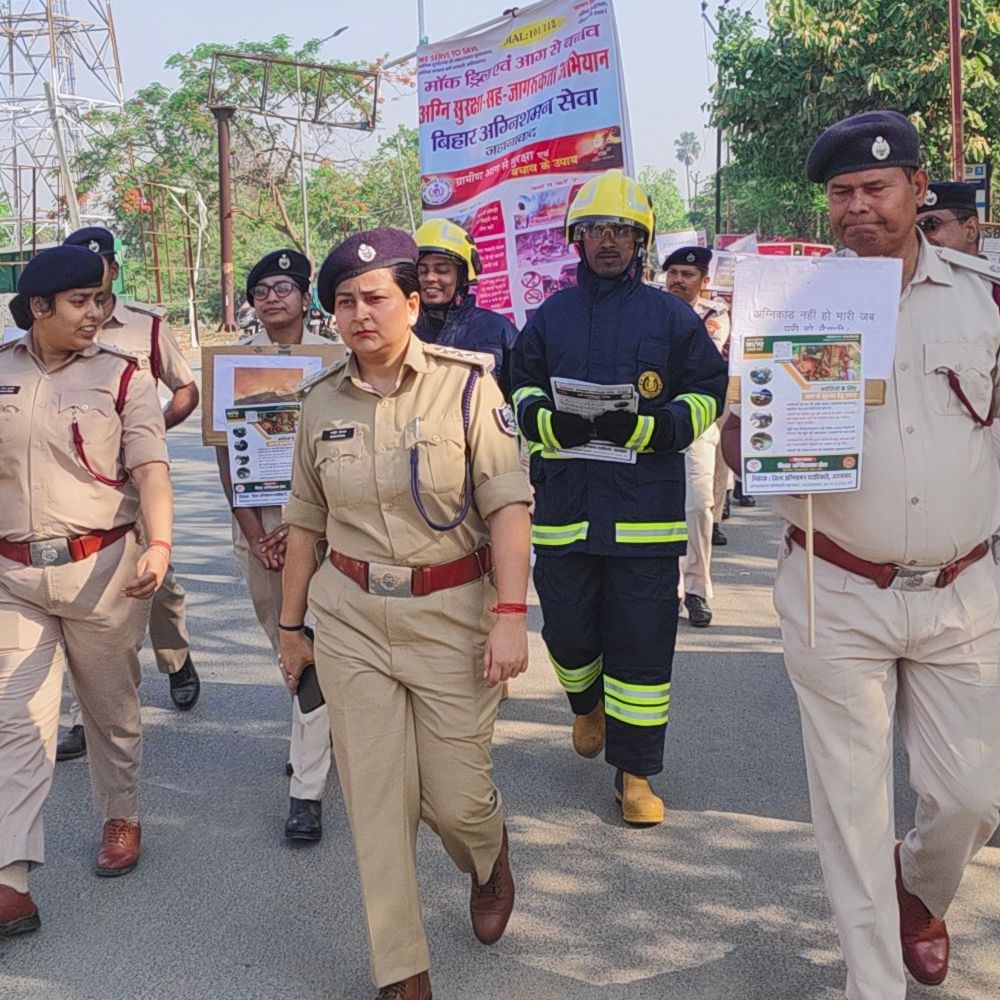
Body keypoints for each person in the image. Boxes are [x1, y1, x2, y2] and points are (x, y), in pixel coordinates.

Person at [723, 109, 1000, 999]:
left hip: (965, 591)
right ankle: (870, 985)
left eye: (876, 188)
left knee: (971, 799)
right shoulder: (792, 306)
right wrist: (753, 432)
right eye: (841, 194)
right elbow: (740, 446)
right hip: (835, 587)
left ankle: (919, 885)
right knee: (850, 810)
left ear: (920, 189)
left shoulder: (985, 295)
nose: (857, 207)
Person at [278, 227, 532, 1000]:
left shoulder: (466, 386)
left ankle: (487, 859)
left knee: (455, 802)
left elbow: (510, 504)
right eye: (345, 302)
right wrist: (292, 631)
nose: (360, 314)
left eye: (377, 298)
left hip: (453, 613)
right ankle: (402, 970)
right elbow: (304, 524)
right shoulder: (320, 402)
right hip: (351, 616)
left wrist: (512, 613)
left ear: (413, 303)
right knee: (377, 799)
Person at [511, 169, 727, 825]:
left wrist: (658, 428)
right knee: (570, 637)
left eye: (622, 231)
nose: (609, 241)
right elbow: (519, 388)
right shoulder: (550, 316)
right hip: (565, 512)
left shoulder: (672, 317)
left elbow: (708, 392)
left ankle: (635, 775)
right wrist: (549, 423)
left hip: (643, 515)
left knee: (640, 648)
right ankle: (584, 705)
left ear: (641, 242)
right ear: (576, 240)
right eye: (596, 230)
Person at [0, 246, 173, 934]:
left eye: (102, 300)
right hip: (14, 576)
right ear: (38, 308)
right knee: (15, 719)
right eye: (81, 302)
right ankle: (11, 875)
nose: (98, 313)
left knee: (109, 709)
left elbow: (153, 471)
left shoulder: (123, 378)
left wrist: (158, 544)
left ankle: (121, 814)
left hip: (104, 571)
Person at [51, 227, 199, 764]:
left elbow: (186, 389)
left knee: (156, 583)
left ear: (114, 268)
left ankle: (176, 658)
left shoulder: (145, 325)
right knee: (79, 594)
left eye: (103, 267)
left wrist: (146, 433)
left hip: (137, 482)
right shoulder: (49, 330)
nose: (94, 284)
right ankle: (79, 713)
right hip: (76, 490)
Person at [214, 248, 334, 843]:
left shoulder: (336, 362)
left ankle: (306, 790)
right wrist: (258, 532)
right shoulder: (231, 367)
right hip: (258, 531)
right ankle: (314, 735)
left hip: (329, 532)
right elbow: (224, 458)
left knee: (312, 644)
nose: (272, 298)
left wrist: (308, 524)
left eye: (284, 286)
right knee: (286, 644)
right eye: (261, 289)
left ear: (306, 295)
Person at [663, 245, 730, 627]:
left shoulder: (714, 316)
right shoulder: (652, 310)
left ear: (703, 282)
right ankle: (669, 589)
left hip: (698, 423)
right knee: (662, 507)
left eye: (687, 275)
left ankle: (697, 590)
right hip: (656, 423)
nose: (678, 280)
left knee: (698, 507)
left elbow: (705, 353)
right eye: (672, 272)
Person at [413, 219, 519, 398]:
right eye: (422, 270)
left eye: (442, 270)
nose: (430, 278)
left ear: (463, 277)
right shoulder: (403, 332)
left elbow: (519, 393)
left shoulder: (497, 330)